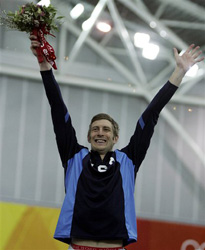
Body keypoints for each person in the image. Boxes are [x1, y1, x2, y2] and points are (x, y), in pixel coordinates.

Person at [29, 34, 204, 250]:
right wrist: (43, 63)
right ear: (88, 136)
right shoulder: (73, 156)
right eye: (95, 129)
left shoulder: (129, 160)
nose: (100, 133)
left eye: (106, 129)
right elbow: (57, 108)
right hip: (77, 246)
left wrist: (179, 72)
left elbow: (151, 115)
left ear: (115, 138)